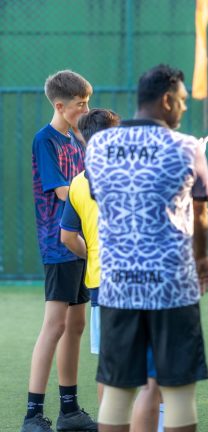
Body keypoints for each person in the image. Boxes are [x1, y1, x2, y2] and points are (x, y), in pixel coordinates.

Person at [84, 64, 208, 432]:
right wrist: (202, 258)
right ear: (167, 100)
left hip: (118, 285)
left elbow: (103, 198)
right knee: (178, 392)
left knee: (117, 392)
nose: (185, 109)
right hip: (172, 285)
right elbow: (201, 214)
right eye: (183, 101)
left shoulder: (98, 146)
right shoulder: (188, 147)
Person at [60, 109, 165, 432]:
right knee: (151, 370)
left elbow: (67, 237)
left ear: (84, 139)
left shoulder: (78, 183)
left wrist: (91, 252)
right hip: (139, 283)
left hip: (100, 286)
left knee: (110, 368)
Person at [23, 70, 97, 432]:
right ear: (60, 105)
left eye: (87, 103)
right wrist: (100, 196)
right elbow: (64, 192)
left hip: (82, 246)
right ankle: (33, 415)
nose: (86, 110)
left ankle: (69, 411)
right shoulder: (46, 140)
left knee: (76, 325)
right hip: (59, 245)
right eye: (81, 104)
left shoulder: (76, 141)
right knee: (54, 326)